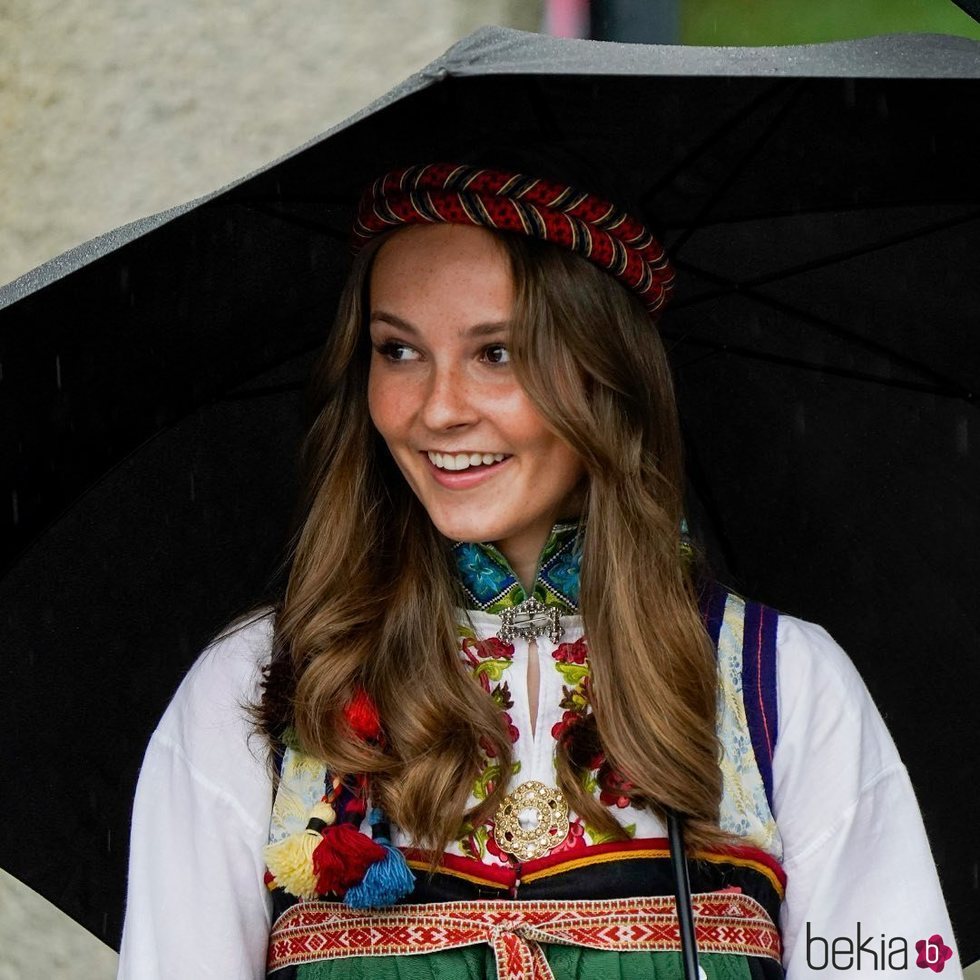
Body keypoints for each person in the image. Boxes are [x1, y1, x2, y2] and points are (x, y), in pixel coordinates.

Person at [117, 163, 961, 979]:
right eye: (398, 351)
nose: (439, 409)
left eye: (498, 353)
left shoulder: (781, 684)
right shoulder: (262, 686)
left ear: (606, 378)